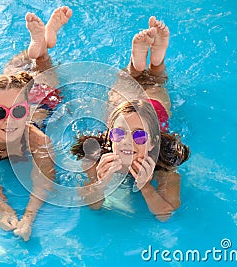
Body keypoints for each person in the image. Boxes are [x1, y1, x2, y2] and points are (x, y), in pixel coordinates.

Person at [0, 6, 72, 241]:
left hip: (43, 105)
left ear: (25, 113)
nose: (9, 119)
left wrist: (28, 219)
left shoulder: (39, 139)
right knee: (12, 76)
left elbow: (45, 182)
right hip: (16, 93)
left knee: (42, 66)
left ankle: (44, 42)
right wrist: (3, 211)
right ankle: (41, 42)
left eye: (17, 112)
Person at [71, 17, 190, 221]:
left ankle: (150, 62)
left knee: (153, 85)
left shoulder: (164, 158)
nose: (127, 141)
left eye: (140, 137)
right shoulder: (95, 154)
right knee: (137, 88)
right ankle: (142, 62)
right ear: (109, 136)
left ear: (153, 140)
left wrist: (145, 187)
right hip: (124, 113)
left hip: (154, 113)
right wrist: (101, 182)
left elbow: (165, 214)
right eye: (119, 134)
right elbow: (93, 205)